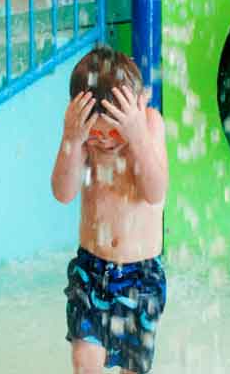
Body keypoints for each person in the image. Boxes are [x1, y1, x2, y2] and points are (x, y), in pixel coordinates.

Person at [51, 47, 169, 374]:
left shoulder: (149, 125)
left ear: (135, 106)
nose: (104, 141)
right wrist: (72, 140)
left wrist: (137, 136)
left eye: (114, 130)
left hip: (140, 276)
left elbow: (155, 191)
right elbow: (63, 192)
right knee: (84, 364)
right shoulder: (82, 137)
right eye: (96, 133)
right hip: (90, 271)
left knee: (134, 369)